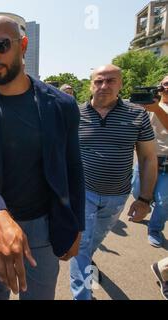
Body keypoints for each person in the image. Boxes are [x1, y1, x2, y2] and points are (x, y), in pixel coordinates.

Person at [0, 16, 85, 300]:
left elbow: (73, 167)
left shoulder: (62, 105)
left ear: (23, 46)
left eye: (2, 45)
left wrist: (77, 225)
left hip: (44, 229)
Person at [70, 64, 158, 300]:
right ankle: (83, 296)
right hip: (83, 193)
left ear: (120, 84)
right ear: (91, 84)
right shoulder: (74, 114)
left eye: (110, 81)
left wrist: (144, 199)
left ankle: (87, 259)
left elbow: (148, 157)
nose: (104, 86)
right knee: (81, 245)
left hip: (117, 197)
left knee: (92, 242)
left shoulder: (137, 115)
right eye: (99, 81)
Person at [132, 76, 168, 248]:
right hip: (146, 159)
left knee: (163, 201)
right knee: (137, 192)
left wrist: (157, 109)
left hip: (166, 162)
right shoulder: (148, 105)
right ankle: (149, 204)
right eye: (166, 83)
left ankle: (154, 229)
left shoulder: (155, 108)